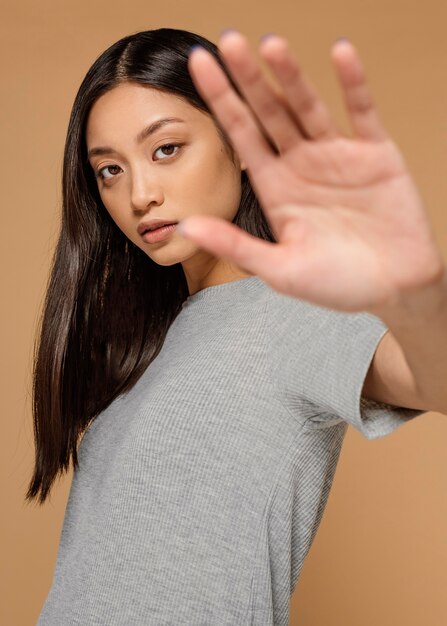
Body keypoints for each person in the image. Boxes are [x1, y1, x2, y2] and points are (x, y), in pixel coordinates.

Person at [28, 27, 446, 626]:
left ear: (241, 140)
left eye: (166, 149)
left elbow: (435, 378)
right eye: (110, 171)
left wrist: (417, 293)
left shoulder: (295, 312)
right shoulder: (147, 347)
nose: (139, 194)